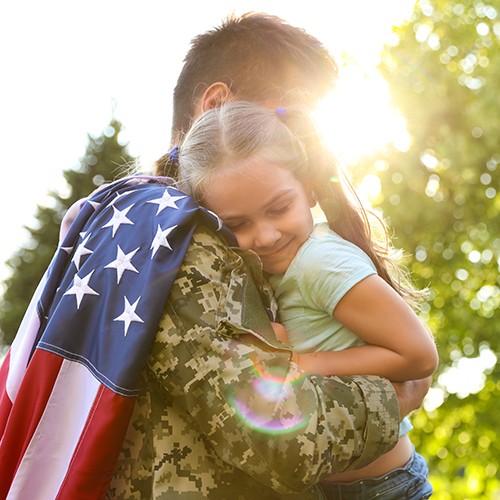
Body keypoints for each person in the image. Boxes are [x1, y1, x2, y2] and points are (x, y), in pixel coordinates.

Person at [0, 13, 430, 499]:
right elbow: (279, 437)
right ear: (216, 105)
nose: (299, 145)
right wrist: (389, 398)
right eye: (281, 118)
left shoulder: (143, 228)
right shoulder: (177, 237)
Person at [175, 100, 437, 499]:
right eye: (238, 225)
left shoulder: (319, 261)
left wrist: (308, 364)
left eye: (279, 208)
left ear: (309, 188)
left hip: (383, 488)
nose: (264, 236)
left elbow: (418, 356)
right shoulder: (275, 270)